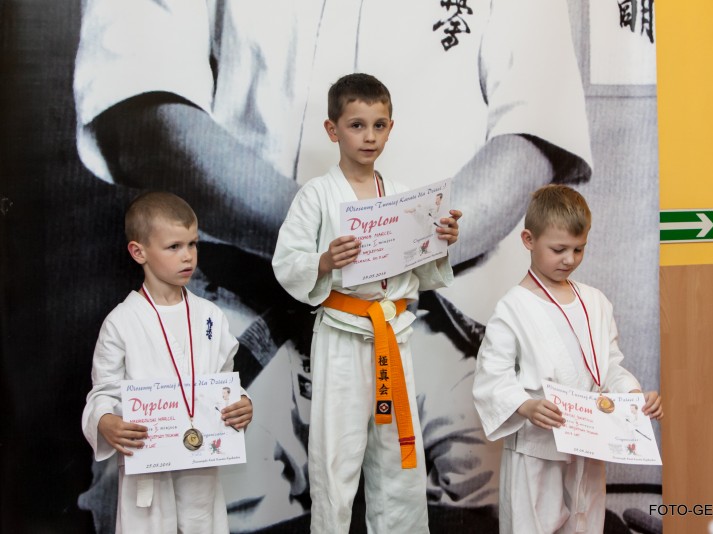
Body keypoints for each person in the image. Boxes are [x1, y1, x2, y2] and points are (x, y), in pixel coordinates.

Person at [73, 2, 594, 529]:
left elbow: (533, 129)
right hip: (234, 303)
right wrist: (322, 242)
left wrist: (392, 248)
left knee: (526, 497)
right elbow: (140, 106)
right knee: (168, 502)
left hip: (437, 309)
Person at [272, 73, 462, 534]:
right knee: (335, 457)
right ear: (332, 129)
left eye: (379, 126)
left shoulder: (402, 197)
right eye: (357, 125)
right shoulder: (316, 195)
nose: (369, 137)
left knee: (399, 460)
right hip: (343, 336)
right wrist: (324, 261)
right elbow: (287, 262)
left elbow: (420, 273)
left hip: (392, 336)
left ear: (391, 128)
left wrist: (439, 241)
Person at [472, 185, 663, 534]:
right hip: (536, 450)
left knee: (587, 525)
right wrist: (526, 405)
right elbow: (492, 376)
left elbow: (609, 366)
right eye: (558, 249)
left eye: (579, 248)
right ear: (529, 240)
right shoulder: (513, 307)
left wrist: (633, 397)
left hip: (588, 445)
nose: (570, 259)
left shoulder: (595, 301)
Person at [81, 191, 254, 533]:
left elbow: (225, 381)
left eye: (193, 244)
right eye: (174, 247)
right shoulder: (121, 322)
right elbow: (103, 392)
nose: (187, 256)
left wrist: (242, 403)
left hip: (201, 463)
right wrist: (105, 421)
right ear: (139, 252)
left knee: (203, 524)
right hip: (148, 465)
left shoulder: (211, 316)